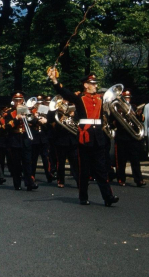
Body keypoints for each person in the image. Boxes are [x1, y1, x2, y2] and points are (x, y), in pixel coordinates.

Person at [48, 69, 119, 207]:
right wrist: (55, 80)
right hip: (84, 138)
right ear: (86, 85)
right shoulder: (80, 98)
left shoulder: (100, 98)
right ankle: (83, 196)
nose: (95, 85)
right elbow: (65, 93)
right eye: (92, 83)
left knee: (101, 169)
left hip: (98, 137)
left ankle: (108, 197)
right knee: (84, 169)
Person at [112, 88, 146, 187]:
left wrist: (139, 115)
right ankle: (121, 179)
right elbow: (113, 122)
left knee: (135, 160)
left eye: (128, 98)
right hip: (122, 137)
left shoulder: (134, 107)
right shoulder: (116, 109)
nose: (127, 99)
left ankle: (139, 179)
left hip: (132, 137)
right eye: (125, 98)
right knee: (121, 161)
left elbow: (139, 122)